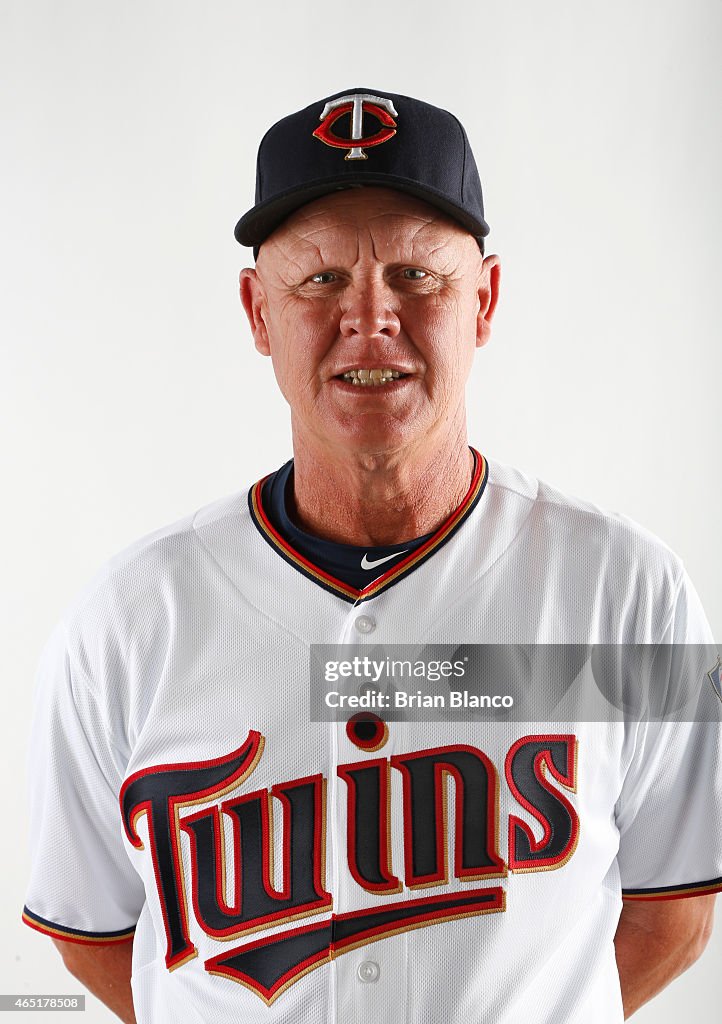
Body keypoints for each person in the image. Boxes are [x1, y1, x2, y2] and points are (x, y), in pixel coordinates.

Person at [22, 87, 721, 1024]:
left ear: (486, 300)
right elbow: (91, 934)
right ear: (257, 311)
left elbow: (676, 912)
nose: (369, 315)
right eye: (318, 280)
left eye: (416, 275)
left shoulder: (635, 594)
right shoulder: (127, 621)